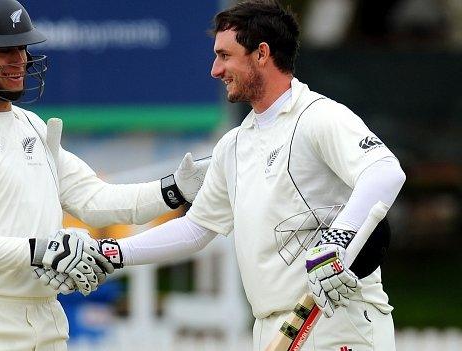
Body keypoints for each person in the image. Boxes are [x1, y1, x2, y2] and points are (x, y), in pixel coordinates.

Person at [46, 1, 407, 350]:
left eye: (224, 55)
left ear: (261, 54)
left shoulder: (319, 117)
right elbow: (196, 229)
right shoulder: (234, 144)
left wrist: (338, 243)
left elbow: (385, 171)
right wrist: (111, 252)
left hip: (337, 319)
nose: (215, 70)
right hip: (271, 325)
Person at [0, 0, 209, 350]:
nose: (19, 60)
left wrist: (173, 190)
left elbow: (94, 199)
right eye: (4, 50)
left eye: (22, 48)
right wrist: (41, 249)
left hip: (45, 323)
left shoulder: (32, 127)